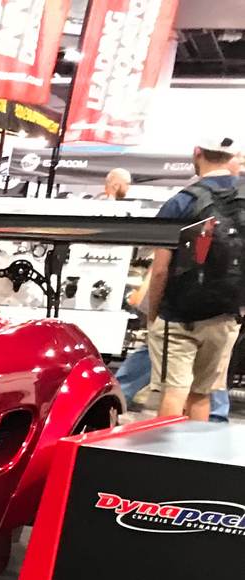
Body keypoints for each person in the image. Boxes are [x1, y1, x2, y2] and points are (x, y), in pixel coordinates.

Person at [138, 138, 245, 421]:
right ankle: (194, 449)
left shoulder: (182, 201)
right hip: (225, 315)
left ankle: (166, 448)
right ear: (233, 157)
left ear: (197, 153)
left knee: (174, 392)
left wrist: (153, 315)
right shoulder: (242, 199)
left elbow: (160, 270)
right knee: (201, 393)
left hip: (178, 315)